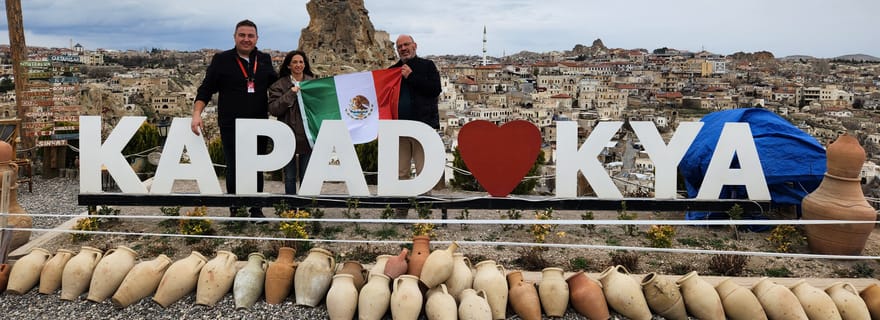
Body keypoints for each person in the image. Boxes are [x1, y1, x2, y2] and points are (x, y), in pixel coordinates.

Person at [191, 19, 278, 218]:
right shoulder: (221, 60)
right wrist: (197, 114)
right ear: (235, 37)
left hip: (259, 122)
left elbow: (276, 86)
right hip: (231, 123)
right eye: (242, 35)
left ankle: (256, 208)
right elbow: (206, 89)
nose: (246, 39)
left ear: (257, 38)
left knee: (257, 166)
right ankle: (235, 208)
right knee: (234, 165)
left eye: (250, 36)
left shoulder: (264, 59)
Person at [390, 34, 442, 216]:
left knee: (423, 173)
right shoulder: (392, 71)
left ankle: (424, 214)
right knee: (401, 172)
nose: (403, 48)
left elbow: (435, 89)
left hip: (423, 128)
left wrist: (411, 77)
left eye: (406, 45)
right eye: (399, 46)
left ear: (415, 46)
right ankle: (401, 212)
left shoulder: (427, 66)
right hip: (400, 129)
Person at [268, 50, 316, 194]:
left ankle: (304, 209)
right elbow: (274, 109)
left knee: (306, 175)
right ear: (288, 65)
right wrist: (291, 93)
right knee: (289, 177)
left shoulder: (312, 83)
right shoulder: (279, 85)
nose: (298, 65)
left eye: (301, 62)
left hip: (307, 135)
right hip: (287, 135)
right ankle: (290, 208)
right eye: (294, 62)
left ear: (305, 64)